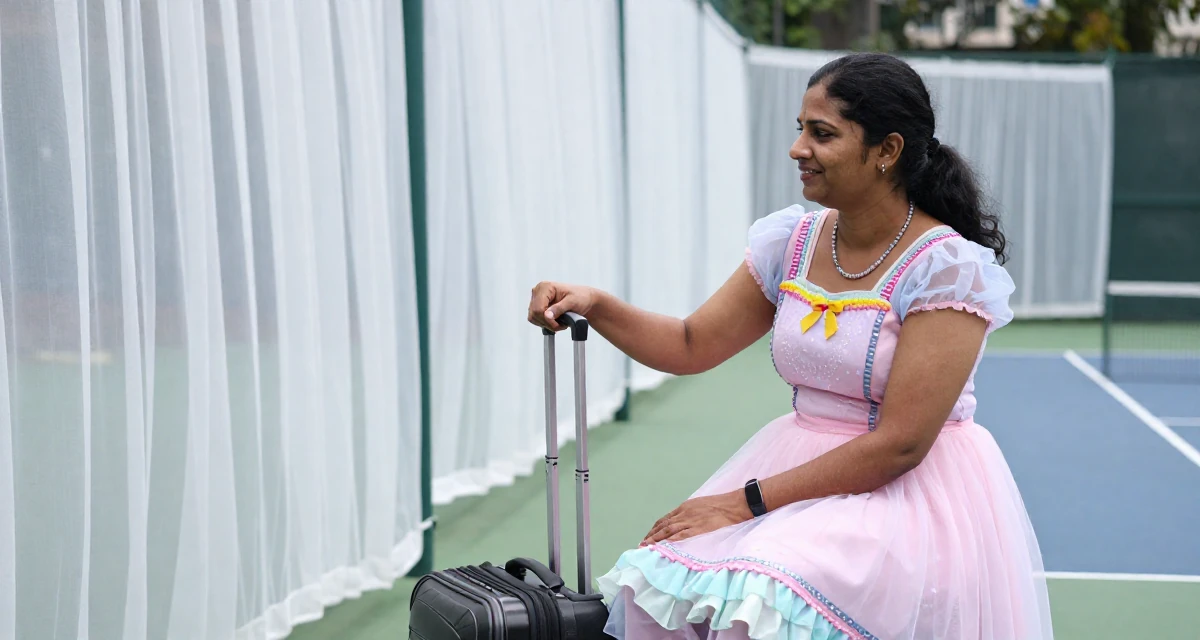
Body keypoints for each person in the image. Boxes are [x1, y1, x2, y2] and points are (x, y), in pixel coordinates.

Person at [527, 53, 1053, 640]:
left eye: (821, 133)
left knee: (769, 590)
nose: (798, 148)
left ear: (887, 150)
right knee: (660, 583)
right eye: (800, 129)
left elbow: (900, 444)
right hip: (790, 474)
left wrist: (742, 504)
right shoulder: (793, 242)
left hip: (901, 496)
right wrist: (596, 304)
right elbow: (690, 343)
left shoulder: (946, 269)